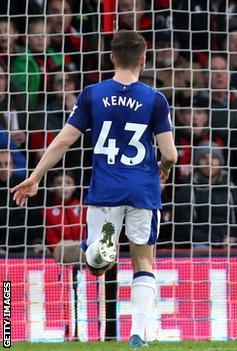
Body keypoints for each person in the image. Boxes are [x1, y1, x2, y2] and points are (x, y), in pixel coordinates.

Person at [11, 30, 177, 348]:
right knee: (144, 262)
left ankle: (98, 251)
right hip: (143, 189)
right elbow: (169, 153)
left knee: (98, 267)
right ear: (144, 60)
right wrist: (164, 168)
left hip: (105, 191)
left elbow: (64, 139)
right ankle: (138, 334)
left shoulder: (92, 94)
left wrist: (35, 176)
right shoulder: (155, 99)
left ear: (112, 58)